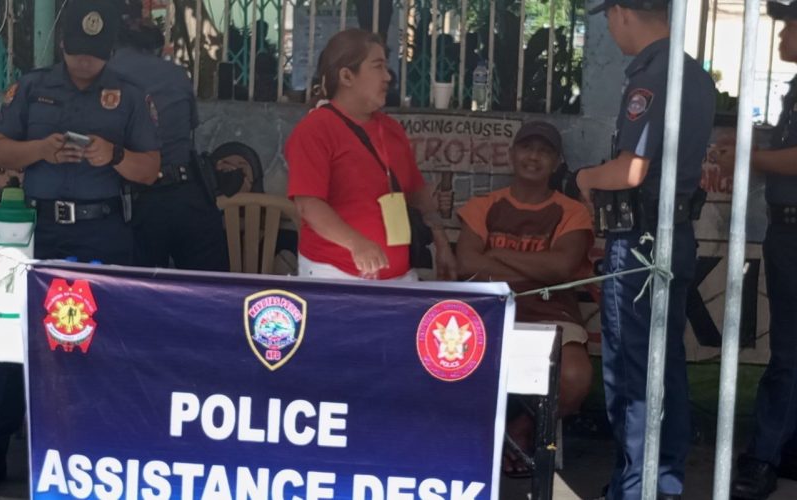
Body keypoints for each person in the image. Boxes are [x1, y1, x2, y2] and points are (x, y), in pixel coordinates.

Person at [0, 0, 160, 485]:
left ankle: (97, 450)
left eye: (96, 52)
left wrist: (114, 156)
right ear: (63, 44)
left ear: (110, 49)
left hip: (102, 231)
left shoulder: (130, 95)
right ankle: (4, 445)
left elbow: (150, 170)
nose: (86, 62)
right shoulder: (31, 88)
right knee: (16, 341)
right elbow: (1, 149)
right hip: (39, 234)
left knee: (100, 343)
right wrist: (39, 150)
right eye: (78, 51)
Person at [575, 0, 715, 498]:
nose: (611, 28)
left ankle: (637, 489)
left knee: (635, 375)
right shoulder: (694, 74)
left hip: (640, 243)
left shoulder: (653, 75)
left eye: (609, 18)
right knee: (663, 365)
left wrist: (586, 177)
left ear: (622, 12)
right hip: (673, 234)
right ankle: (659, 482)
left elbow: (631, 170)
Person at [455, 120, 594, 476]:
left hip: (551, 312)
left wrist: (496, 255)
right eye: (527, 148)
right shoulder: (484, 205)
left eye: (544, 152)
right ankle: (469, 443)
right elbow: (467, 264)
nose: (534, 157)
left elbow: (561, 268)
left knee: (575, 376)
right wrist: (535, 268)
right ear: (512, 153)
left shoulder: (572, 211)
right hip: (489, 312)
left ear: (556, 162)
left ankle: (520, 430)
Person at [286, 28, 456, 281]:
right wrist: (356, 243)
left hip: (400, 276)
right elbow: (308, 205)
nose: (387, 77)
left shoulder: (392, 129)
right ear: (347, 76)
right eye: (378, 66)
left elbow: (415, 194)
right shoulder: (315, 129)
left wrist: (441, 241)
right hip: (335, 275)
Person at [717, 2, 797, 498]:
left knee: (788, 352)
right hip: (786, 229)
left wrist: (748, 155)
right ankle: (784, 449)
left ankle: (764, 458)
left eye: (789, 26)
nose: (782, 35)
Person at [109, 1, 229, 271]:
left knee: (139, 292)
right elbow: (189, 129)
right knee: (208, 289)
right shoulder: (176, 74)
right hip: (189, 195)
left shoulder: (106, 77)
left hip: (138, 201)